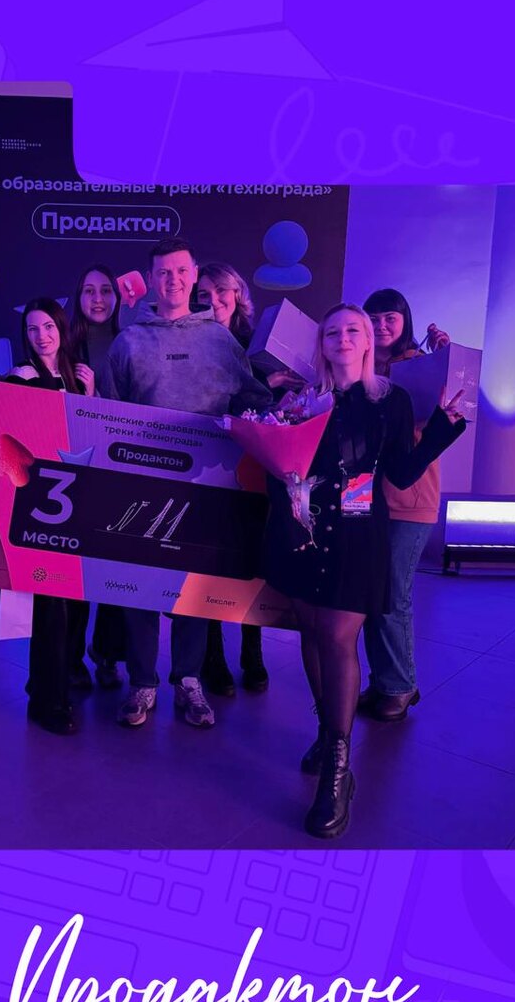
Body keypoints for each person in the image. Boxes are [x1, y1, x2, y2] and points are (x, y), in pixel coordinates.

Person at [262, 304, 465, 838]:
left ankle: (338, 768)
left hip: (357, 538)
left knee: (336, 637)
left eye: (354, 330)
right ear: (322, 345)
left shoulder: (392, 400)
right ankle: (326, 729)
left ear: (369, 341)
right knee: (310, 631)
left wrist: (442, 428)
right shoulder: (303, 399)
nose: (344, 339)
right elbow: (281, 465)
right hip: (304, 531)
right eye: (333, 332)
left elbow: (401, 473)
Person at [99, 238, 271, 730]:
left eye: (180, 271)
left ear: (194, 276)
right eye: (163, 272)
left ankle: (189, 680)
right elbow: (108, 415)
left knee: (193, 588)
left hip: (206, 485)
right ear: (151, 279)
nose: (172, 280)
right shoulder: (128, 342)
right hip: (141, 484)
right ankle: (142, 682)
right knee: (139, 588)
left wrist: (284, 396)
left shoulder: (220, 340)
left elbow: (251, 399)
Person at [358, 287, 450, 722]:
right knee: (371, 593)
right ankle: (383, 681)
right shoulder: (360, 364)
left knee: (394, 595)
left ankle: (399, 685)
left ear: (404, 321)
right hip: (365, 497)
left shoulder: (421, 364)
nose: (381, 326)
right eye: (374, 318)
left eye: (389, 318)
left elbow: (453, 408)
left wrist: (448, 360)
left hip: (409, 496)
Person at [8, 298, 95, 734]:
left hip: (80, 500)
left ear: (61, 328)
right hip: (42, 505)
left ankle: (60, 678)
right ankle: (48, 701)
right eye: (32, 328)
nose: (41, 336)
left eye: (48, 327)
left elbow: (92, 437)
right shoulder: (21, 377)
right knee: (51, 606)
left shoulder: (78, 376)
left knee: (77, 600)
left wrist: (91, 398)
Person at [196, 262, 270, 697]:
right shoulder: (191, 342)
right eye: (203, 294)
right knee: (211, 564)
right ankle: (213, 658)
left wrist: (270, 385)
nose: (214, 300)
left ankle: (253, 654)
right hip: (204, 465)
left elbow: (274, 407)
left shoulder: (259, 345)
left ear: (238, 294)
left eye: (221, 291)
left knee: (249, 564)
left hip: (251, 469)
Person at [68, 264, 127, 690]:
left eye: (106, 290)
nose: (98, 299)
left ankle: (107, 654)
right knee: (75, 572)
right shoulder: (64, 344)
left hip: (122, 466)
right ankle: (71, 658)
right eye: (89, 291)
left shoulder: (132, 340)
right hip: (77, 468)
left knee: (114, 571)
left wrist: (98, 398)